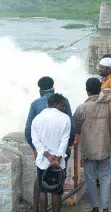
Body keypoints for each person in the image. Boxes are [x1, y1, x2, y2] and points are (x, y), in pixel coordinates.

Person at [24, 77, 73, 211]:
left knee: (42, 189)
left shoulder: (37, 118)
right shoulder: (65, 117)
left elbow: (33, 138)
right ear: (58, 103)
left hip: (43, 159)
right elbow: (65, 139)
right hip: (59, 159)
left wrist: (44, 154)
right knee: (57, 191)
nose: (64, 107)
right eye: (62, 106)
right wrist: (57, 157)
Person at [74, 78, 111, 212]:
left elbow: (76, 127)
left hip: (88, 149)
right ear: (100, 90)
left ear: (87, 91)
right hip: (104, 147)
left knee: (90, 179)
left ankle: (94, 207)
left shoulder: (82, 108)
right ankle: (105, 207)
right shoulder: (109, 106)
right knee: (105, 177)